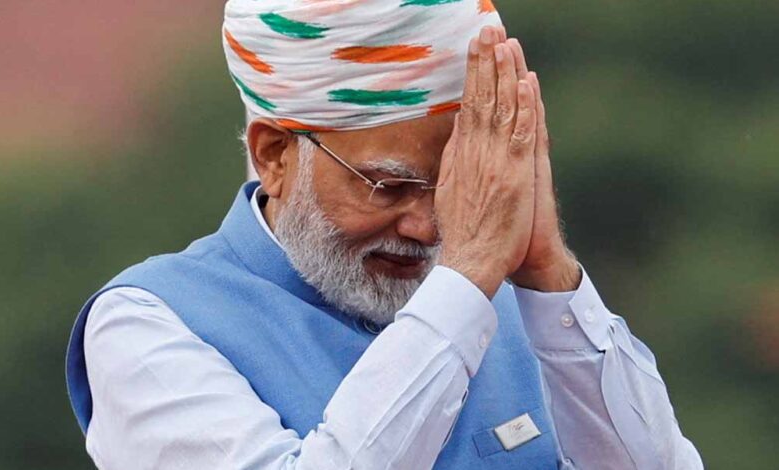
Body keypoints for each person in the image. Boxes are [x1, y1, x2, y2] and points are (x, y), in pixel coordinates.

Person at [66, 1, 703, 468]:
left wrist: (546, 272)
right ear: (275, 156)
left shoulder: (503, 299)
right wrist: (463, 286)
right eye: (389, 186)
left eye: (454, 187)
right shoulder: (148, 324)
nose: (427, 227)